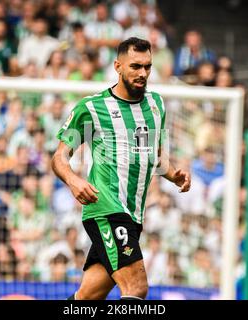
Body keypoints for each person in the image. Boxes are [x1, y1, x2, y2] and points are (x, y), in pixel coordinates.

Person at [52, 37, 191, 300]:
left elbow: (157, 156)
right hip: (106, 208)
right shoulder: (91, 108)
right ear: (118, 66)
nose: (143, 73)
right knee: (137, 288)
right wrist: (73, 180)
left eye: (147, 67)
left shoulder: (156, 105)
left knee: (87, 297)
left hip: (133, 215)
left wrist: (174, 174)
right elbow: (59, 157)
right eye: (135, 66)